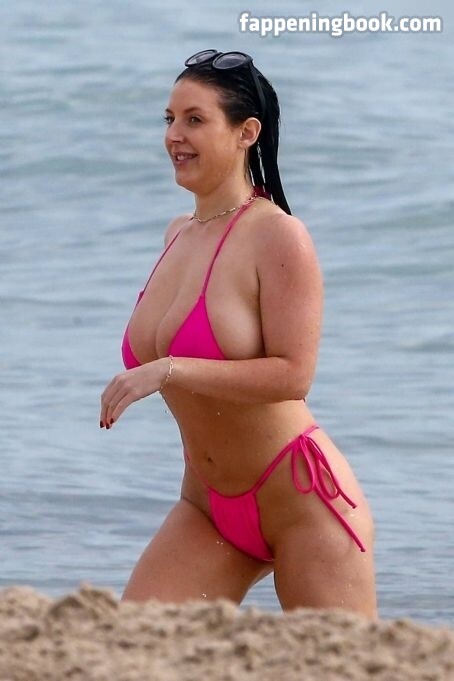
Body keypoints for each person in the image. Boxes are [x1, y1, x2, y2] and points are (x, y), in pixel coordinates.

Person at [100, 49, 377, 619]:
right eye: (169, 119)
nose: (174, 135)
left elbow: (293, 375)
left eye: (195, 119)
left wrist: (169, 370)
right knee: (128, 645)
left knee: (345, 661)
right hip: (206, 507)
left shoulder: (278, 235)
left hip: (303, 503)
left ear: (247, 132)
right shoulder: (178, 233)